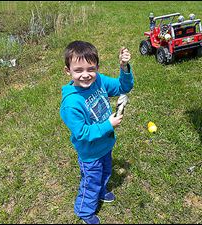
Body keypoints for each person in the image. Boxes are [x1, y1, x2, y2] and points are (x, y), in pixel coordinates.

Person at [60, 40, 134, 224]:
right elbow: (82, 133)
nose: (85, 75)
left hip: (105, 145)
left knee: (106, 171)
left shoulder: (99, 81)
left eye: (90, 69)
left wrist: (124, 67)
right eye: (78, 70)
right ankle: (84, 211)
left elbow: (122, 87)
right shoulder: (71, 104)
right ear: (68, 71)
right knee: (90, 182)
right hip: (90, 153)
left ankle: (101, 192)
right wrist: (108, 124)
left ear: (97, 68)